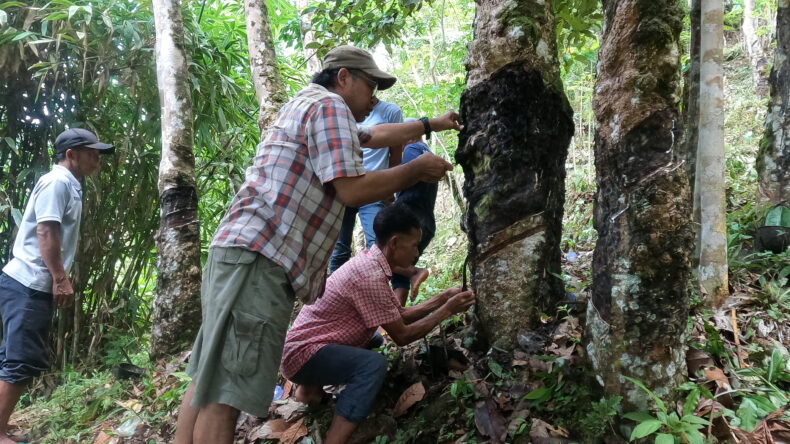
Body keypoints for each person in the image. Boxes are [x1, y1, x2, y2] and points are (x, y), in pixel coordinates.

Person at [174, 45, 462, 444]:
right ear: (343, 77)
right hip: (261, 257)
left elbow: (374, 135)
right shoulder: (330, 107)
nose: (374, 98)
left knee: (210, 378)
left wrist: (430, 124)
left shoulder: (312, 107)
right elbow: (350, 189)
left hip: (241, 252)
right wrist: (413, 169)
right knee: (227, 391)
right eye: (370, 86)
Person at [280, 203, 476, 444]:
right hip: (301, 355)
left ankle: (309, 389)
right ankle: (334, 438)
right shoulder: (370, 276)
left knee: (373, 338)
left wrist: (443, 297)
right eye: (414, 245)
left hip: (306, 347)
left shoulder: (371, 261)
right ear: (394, 243)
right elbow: (403, 336)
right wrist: (448, 309)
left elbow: (399, 315)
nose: (416, 254)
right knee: (372, 365)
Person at [0, 128, 114, 444]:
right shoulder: (57, 182)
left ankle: (2, 426)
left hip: (29, 283)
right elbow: (47, 231)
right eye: (92, 152)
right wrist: (60, 278)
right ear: (71, 155)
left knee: (14, 356)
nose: (97, 158)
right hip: (28, 283)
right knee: (20, 359)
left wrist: (60, 274)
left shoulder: (70, 185)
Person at [328, 97, 403, 274]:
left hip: (373, 188)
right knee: (339, 248)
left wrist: (389, 187)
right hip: (345, 185)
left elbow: (395, 155)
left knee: (376, 246)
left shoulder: (390, 111)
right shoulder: (344, 111)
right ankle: (332, 297)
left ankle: (376, 293)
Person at [390, 123, 439, 305]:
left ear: (410, 135)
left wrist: (390, 187)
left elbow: (409, 175)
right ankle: (397, 316)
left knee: (380, 258)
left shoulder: (413, 148)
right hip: (425, 224)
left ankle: (415, 272)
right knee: (399, 270)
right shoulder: (428, 154)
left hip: (409, 219)